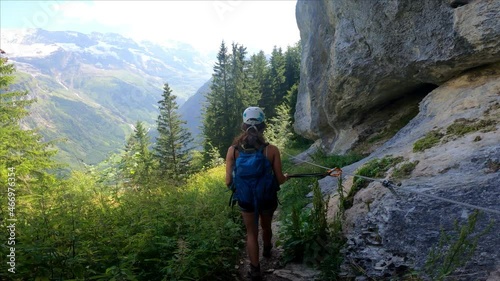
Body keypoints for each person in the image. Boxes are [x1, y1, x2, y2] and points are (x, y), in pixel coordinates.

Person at [225, 106, 288, 281]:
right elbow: (280, 179)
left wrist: (237, 187)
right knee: (266, 226)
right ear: (263, 127)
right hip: (266, 197)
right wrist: (286, 177)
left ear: (243, 126)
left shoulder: (233, 150)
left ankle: (254, 270)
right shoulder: (271, 150)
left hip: (245, 198)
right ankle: (267, 249)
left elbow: (228, 181)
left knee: (251, 232)